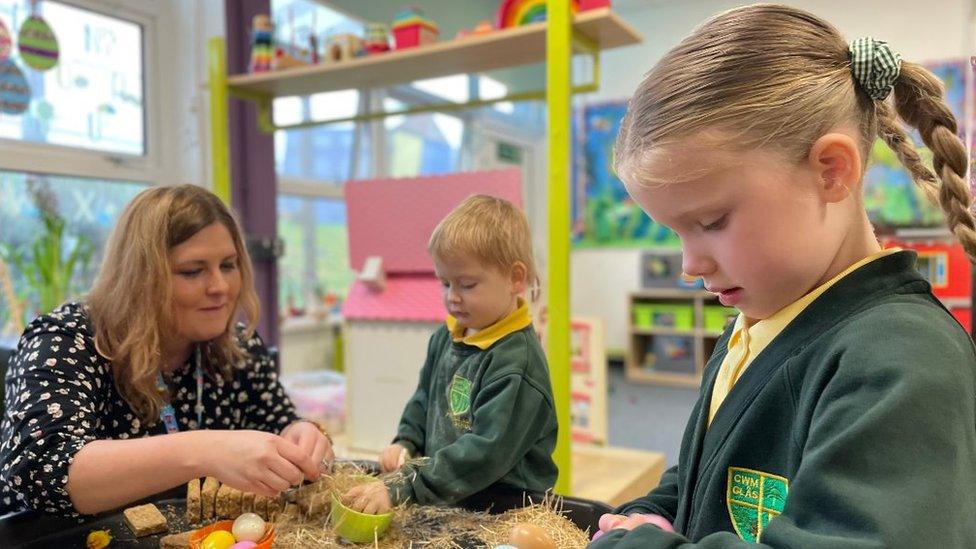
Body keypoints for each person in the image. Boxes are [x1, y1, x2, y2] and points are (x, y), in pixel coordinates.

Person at [589, 4, 976, 547]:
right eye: (676, 233)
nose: (689, 264)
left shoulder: (903, 357)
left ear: (831, 171)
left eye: (711, 222)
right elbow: (709, 468)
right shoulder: (757, 323)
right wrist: (658, 511)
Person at [0, 185, 334, 517]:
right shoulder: (67, 339)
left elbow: (277, 426)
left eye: (228, 265)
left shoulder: (236, 347)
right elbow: (41, 472)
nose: (219, 287)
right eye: (193, 271)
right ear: (140, 277)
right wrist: (206, 449)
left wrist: (299, 436)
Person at [342, 195, 558, 514]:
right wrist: (407, 441)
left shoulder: (517, 363)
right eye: (444, 283)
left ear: (515, 278)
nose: (452, 298)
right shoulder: (447, 334)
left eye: (467, 285)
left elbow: (485, 453)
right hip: (452, 494)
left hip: (505, 507)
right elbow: (425, 397)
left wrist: (406, 486)